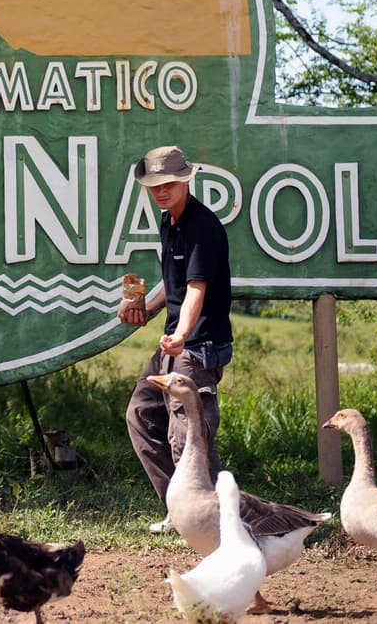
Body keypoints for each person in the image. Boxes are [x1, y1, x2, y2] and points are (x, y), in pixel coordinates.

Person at [120, 145, 233, 532]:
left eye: (168, 184)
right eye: (154, 186)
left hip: (197, 346)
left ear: (186, 179)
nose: (161, 192)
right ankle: (183, 509)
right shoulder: (170, 221)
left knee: (188, 435)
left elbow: (197, 291)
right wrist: (145, 311)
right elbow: (175, 287)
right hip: (177, 340)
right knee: (141, 413)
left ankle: (217, 517)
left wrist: (182, 334)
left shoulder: (202, 227)